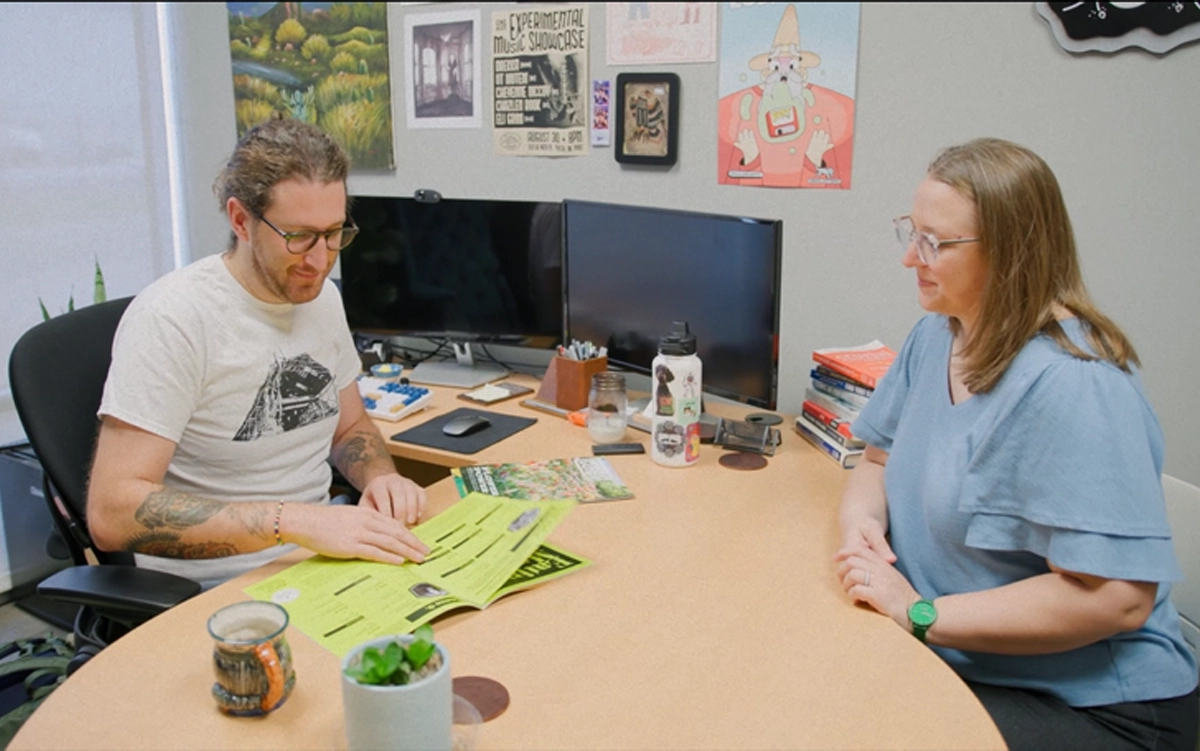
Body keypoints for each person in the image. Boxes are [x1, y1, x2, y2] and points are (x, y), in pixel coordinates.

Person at [834, 137, 1198, 750]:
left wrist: (918, 612)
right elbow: (878, 456)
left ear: (1011, 253)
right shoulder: (935, 337)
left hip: (1092, 706)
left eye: (936, 243)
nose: (910, 259)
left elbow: (1115, 601)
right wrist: (859, 527)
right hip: (952, 655)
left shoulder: (1075, 387)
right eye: (911, 232)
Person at [87, 118, 430, 591]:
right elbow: (111, 512)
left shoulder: (321, 298)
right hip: (218, 588)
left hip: (321, 560)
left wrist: (380, 477)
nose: (320, 259)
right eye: (298, 237)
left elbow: (351, 428)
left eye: (333, 233)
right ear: (241, 220)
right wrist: (294, 521)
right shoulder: (173, 319)